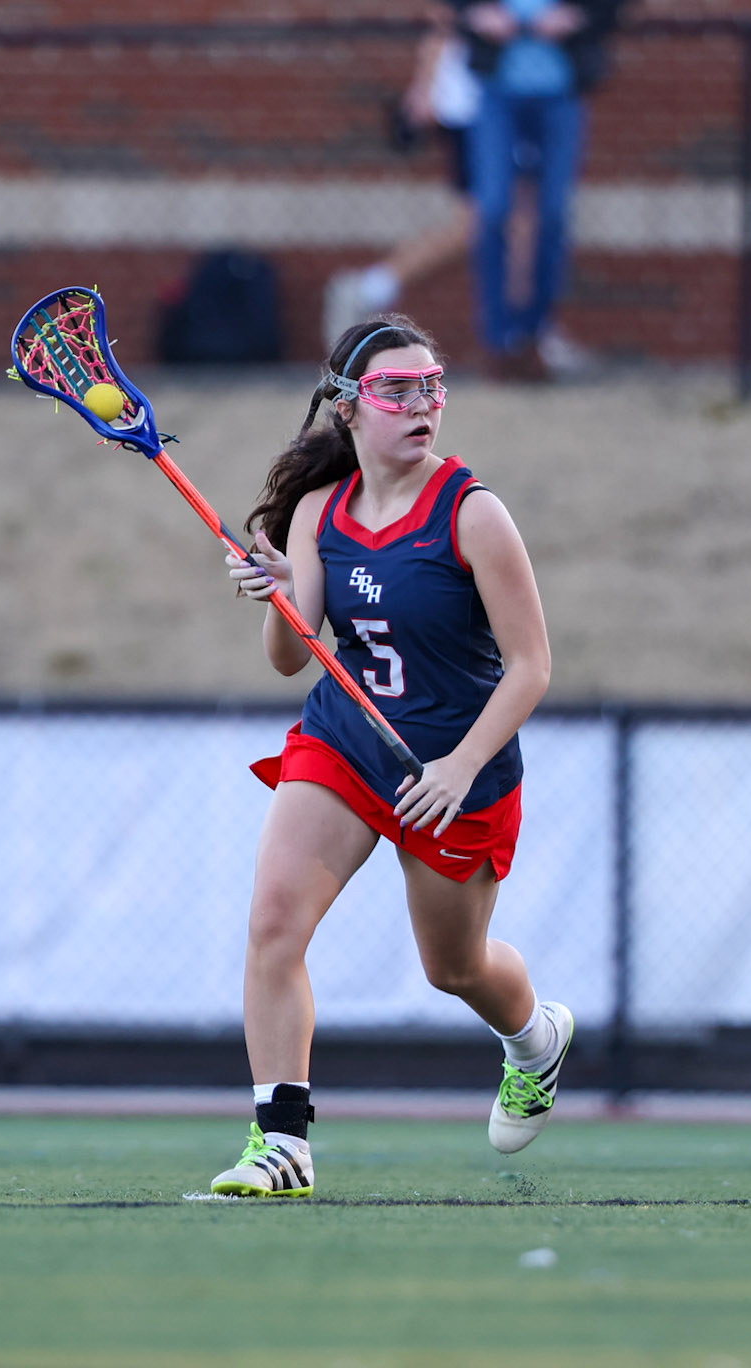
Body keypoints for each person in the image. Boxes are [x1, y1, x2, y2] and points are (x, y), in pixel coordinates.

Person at [209, 315, 567, 1198]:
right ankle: (280, 1142)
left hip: (455, 767)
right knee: (273, 923)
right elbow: (290, 658)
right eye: (396, 390)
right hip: (346, 739)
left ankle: (535, 1040)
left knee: (454, 968)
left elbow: (531, 666)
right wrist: (282, 596)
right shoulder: (317, 514)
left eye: (431, 386)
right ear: (348, 407)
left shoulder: (472, 513)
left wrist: (458, 767)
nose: (421, 405)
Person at [451, 0, 628, 380]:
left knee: (553, 216)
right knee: (494, 210)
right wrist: (474, 13)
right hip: (497, 92)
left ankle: (535, 335)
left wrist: (580, 16)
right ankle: (498, 341)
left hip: (561, 93)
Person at [323, 11, 483, 347]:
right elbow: (442, 21)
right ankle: (370, 286)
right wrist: (423, 89)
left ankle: (530, 329)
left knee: (504, 224)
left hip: (490, 108)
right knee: (487, 222)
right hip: (471, 111)